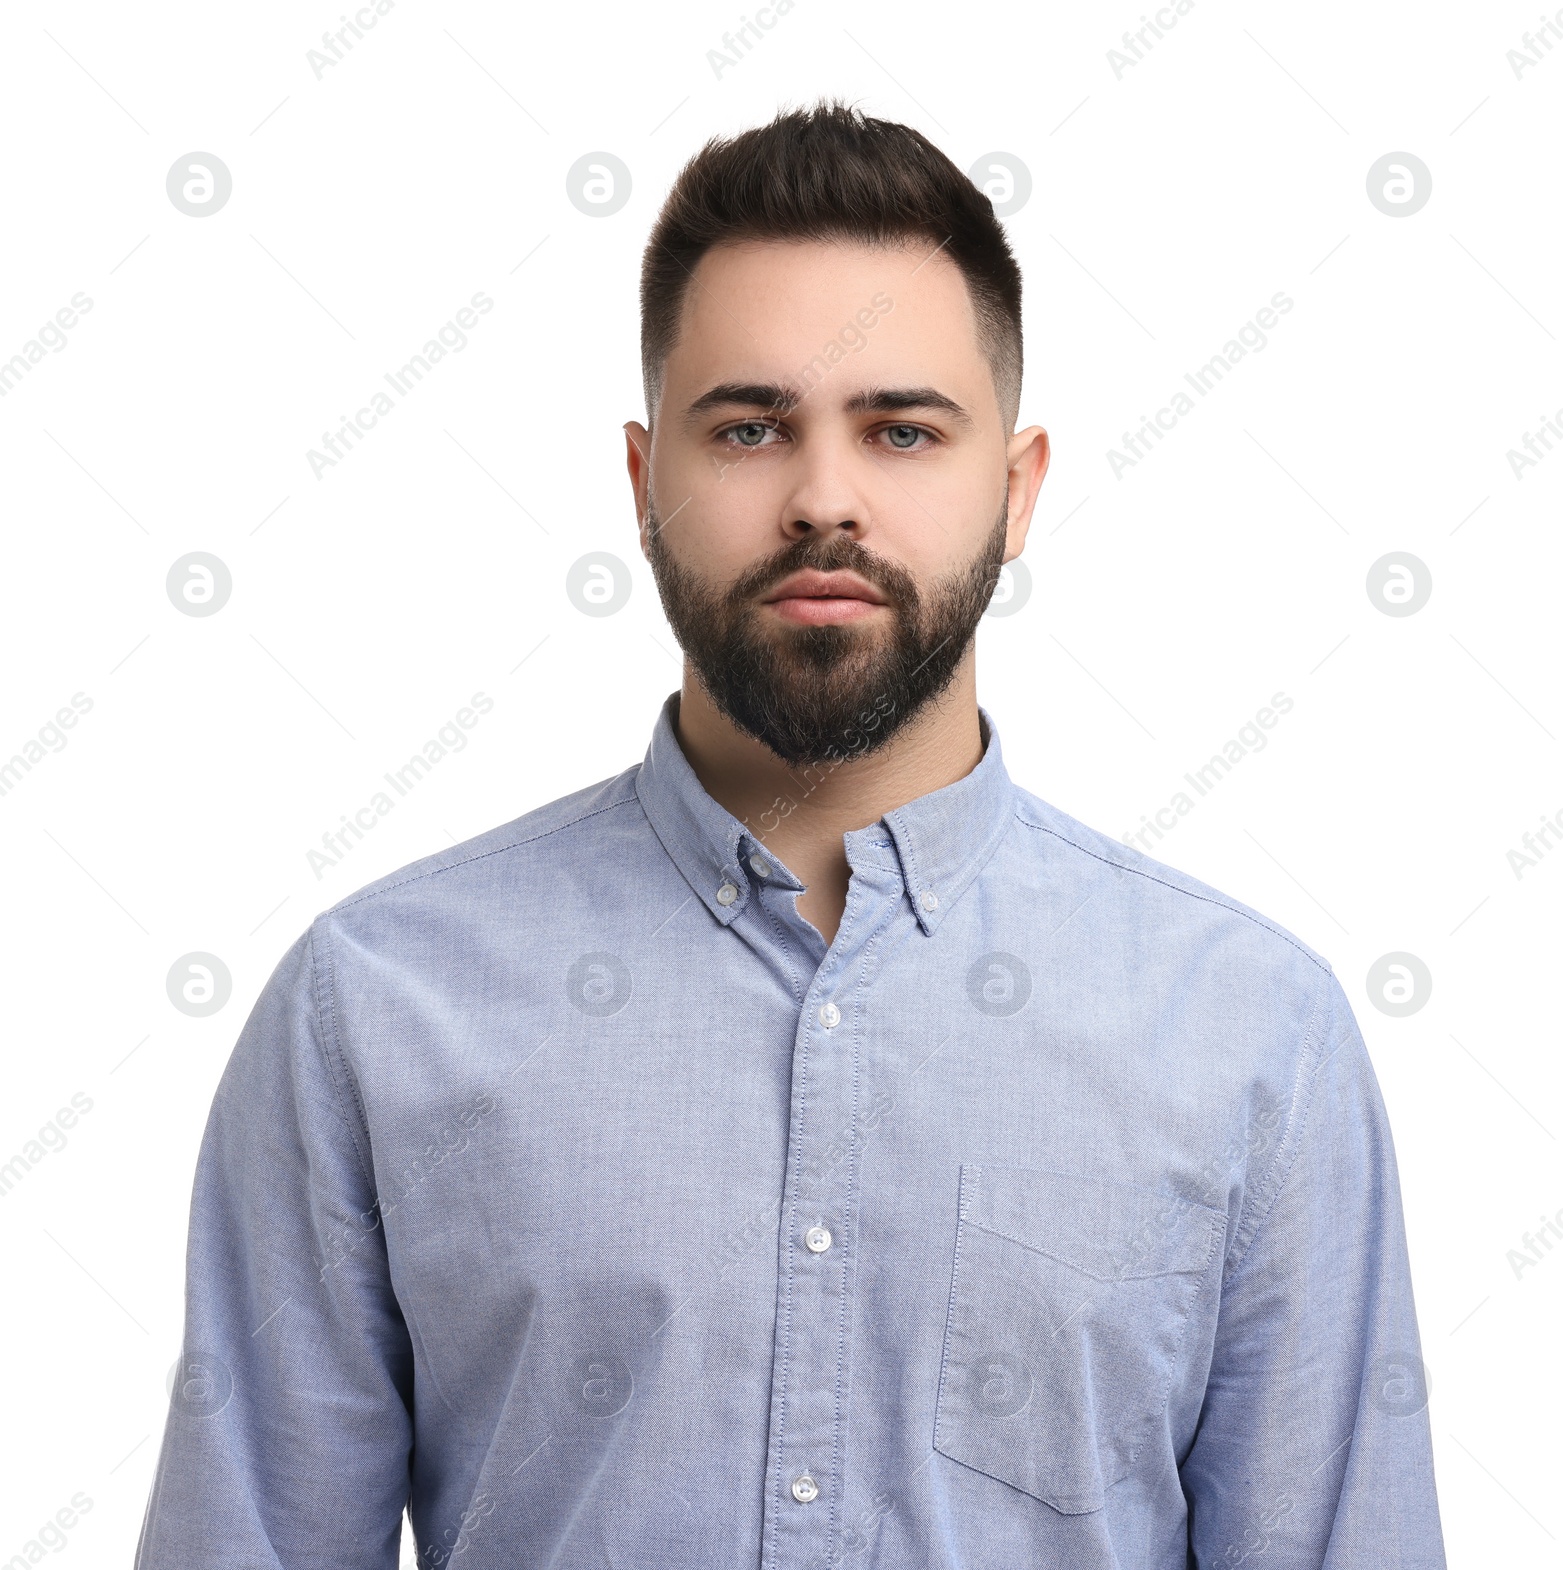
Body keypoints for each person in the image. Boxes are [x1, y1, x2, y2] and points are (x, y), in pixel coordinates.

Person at [135, 101, 1447, 1568]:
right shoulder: (373, 1009)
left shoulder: (1254, 1035)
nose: (825, 498)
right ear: (645, 486)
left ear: (1015, 492)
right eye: (751, 428)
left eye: (902, 429)